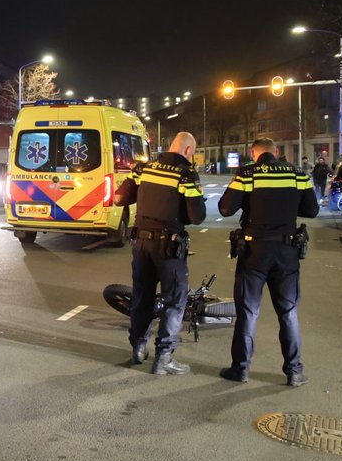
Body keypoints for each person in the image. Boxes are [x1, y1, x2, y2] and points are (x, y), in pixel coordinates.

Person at [217, 137, 320, 386]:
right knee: (288, 312)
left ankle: (240, 369)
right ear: (275, 152)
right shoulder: (297, 174)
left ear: (254, 153)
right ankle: (294, 371)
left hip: (254, 251)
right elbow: (312, 210)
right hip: (286, 252)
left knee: (248, 313)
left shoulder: (247, 174)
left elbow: (225, 209)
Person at [113, 131, 207, 374]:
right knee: (174, 301)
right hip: (169, 247)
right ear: (187, 151)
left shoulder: (142, 169)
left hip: (141, 245)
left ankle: (138, 349)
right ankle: (163, 358)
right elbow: (198, 216)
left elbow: (119, 198)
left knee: (142, 297)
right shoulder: (186, 174)